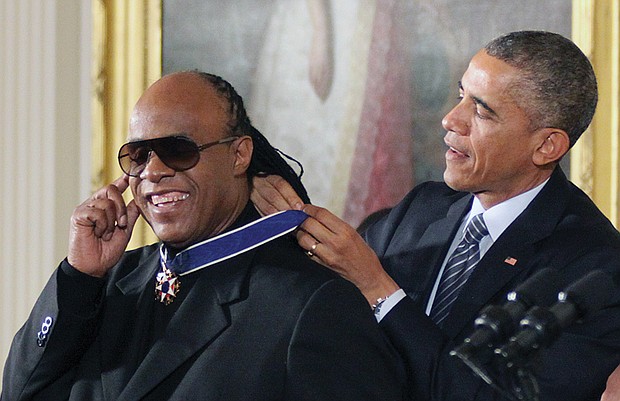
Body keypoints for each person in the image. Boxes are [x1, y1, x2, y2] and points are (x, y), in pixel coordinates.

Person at [251, 31, 620, 401]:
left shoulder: (596, 269)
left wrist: (379, 290)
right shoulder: (422, 208)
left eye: (481, 110)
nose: (450, 120)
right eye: (461, 96)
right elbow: (327, 323)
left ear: (546, 145)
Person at [1, 71, 405, 400]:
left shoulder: (310, 304)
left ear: (239, 155)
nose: (154, 171)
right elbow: (20, 393)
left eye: (178, 150)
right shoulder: (107, 284)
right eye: (139, 155)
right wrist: (78, 276)